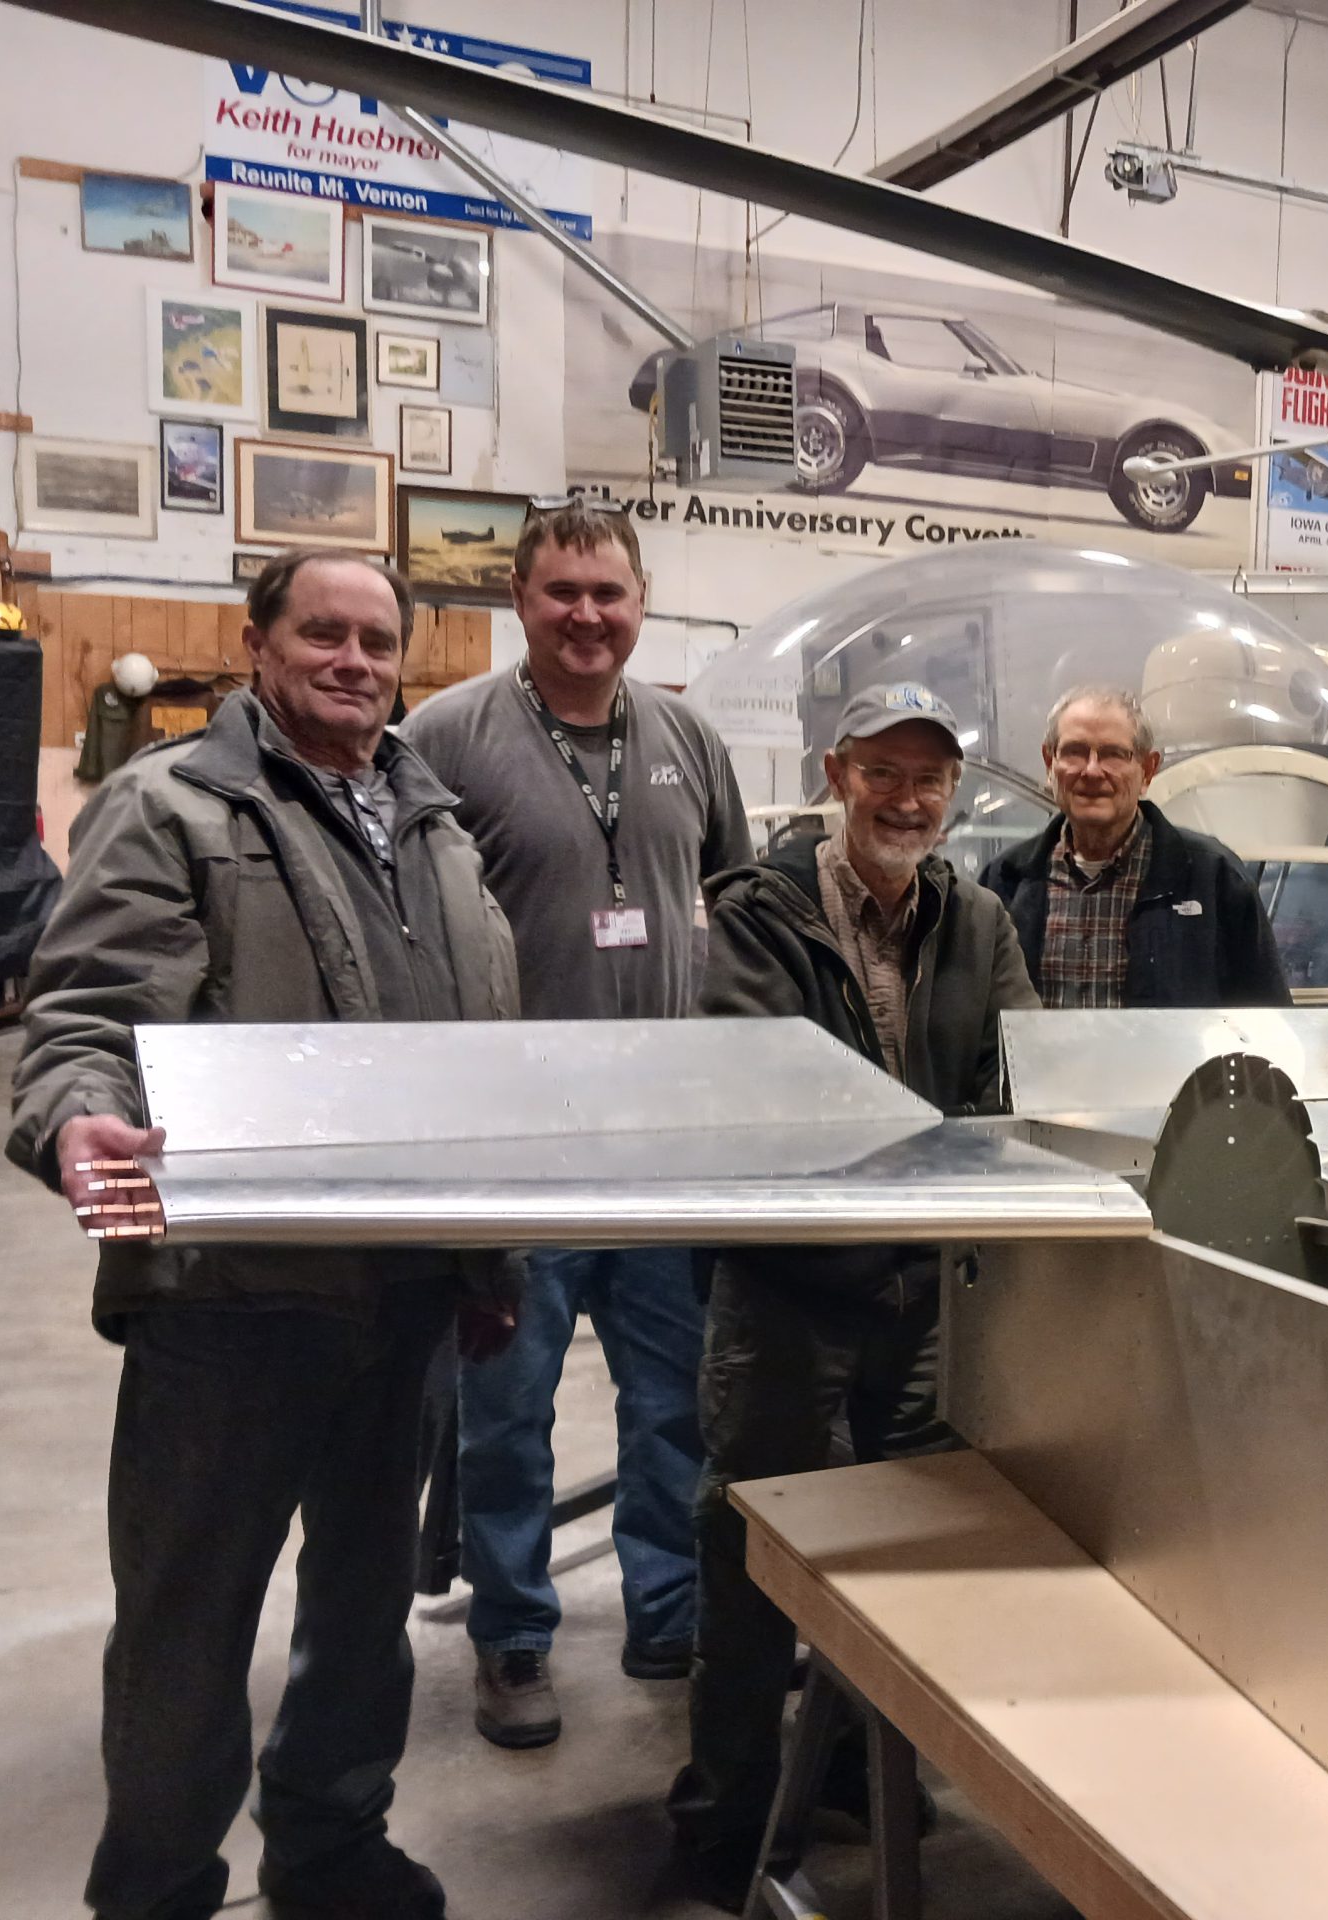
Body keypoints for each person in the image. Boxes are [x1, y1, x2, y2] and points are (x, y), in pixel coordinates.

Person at [5, 550, 522, 1920]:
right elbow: (90, 1010)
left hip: (403, 1300)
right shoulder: (170, 803)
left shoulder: (436, 828)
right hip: (228, 1301)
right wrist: (76, 1119)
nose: (353, 661)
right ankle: (159, 1884)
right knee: (188, 1622)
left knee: (362, 1608)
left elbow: (478, 1072)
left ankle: (331, 1844)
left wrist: (489, 1261)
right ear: (258, 645)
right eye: (323, 634)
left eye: (377, 641)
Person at [671, 681, 1039, 1905]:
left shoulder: (976, 919)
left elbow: (1017, 1075)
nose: (907, 799)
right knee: (752, 1549)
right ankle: (723, 1815)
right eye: (883, 772)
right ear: (837, 778)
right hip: (790, 1289)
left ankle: (847, 1768)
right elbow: (765, 1097)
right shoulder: (759, 912)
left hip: (923, 1292)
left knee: (899, 1551)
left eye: (929, 778)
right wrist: (932, 1151)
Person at [401, 502, 753, 1749]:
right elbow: (397, 919)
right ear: (519, 599)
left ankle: (669, 1610)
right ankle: (512, 1634)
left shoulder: (688, 738)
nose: (587, 616)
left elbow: (737, 904)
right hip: (518, 1152)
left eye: (609, 593)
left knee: (674, 1404)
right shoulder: (445, 737)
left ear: (641, 601)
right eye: (562, 593)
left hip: (661, 1152)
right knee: (507, 1411)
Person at [979, 683, 1290, 1009]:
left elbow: (1269, 1018)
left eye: (1114, 754)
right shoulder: (1005, 881)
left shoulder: (1214, 879)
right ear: (1049, 762)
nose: (1092, 770)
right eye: (1075, 751)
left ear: (1148, 769)